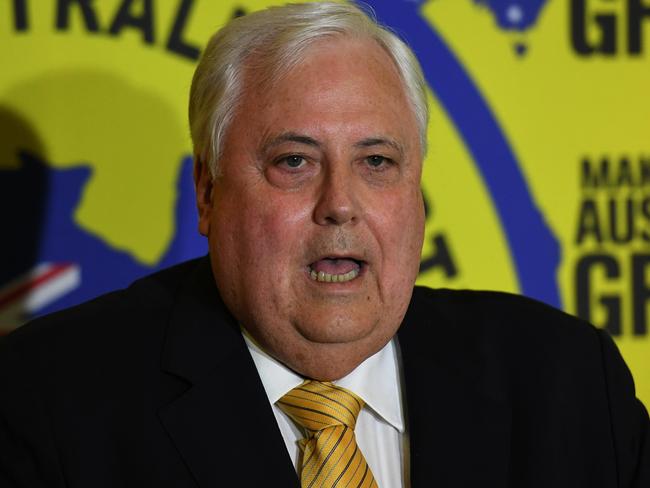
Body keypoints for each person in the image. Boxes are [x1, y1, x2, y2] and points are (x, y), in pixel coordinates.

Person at [0, 2, 648, 487]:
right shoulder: (51, 405)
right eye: (294, 162)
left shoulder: (567, 385)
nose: (340, 203)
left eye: (376, 162)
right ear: (207, 192)